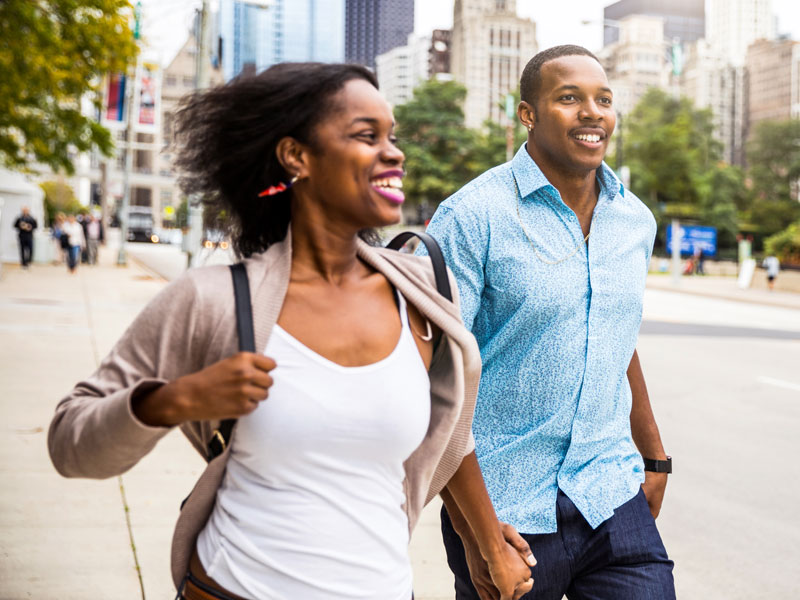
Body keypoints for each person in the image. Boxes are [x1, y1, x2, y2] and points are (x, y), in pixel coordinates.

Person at [48, 63, 535, 600]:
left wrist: (486, 542)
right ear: (295, 156)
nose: (393, 153)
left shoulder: (422, 291)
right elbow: (71, 444)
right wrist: (174, 400)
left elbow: (452, 438)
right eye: (365, 136)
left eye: (391, 137)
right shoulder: (214, 300)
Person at [422, 46, 675, 599]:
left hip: (609, 491)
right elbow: (436, 383)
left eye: (603, 100)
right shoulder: (470, 217)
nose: (592, 112)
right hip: (504, 506)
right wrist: (478, 535)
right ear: (527, 115)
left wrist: (653, 454)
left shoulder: (634, 219)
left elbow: (611, 331)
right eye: (569, 98)